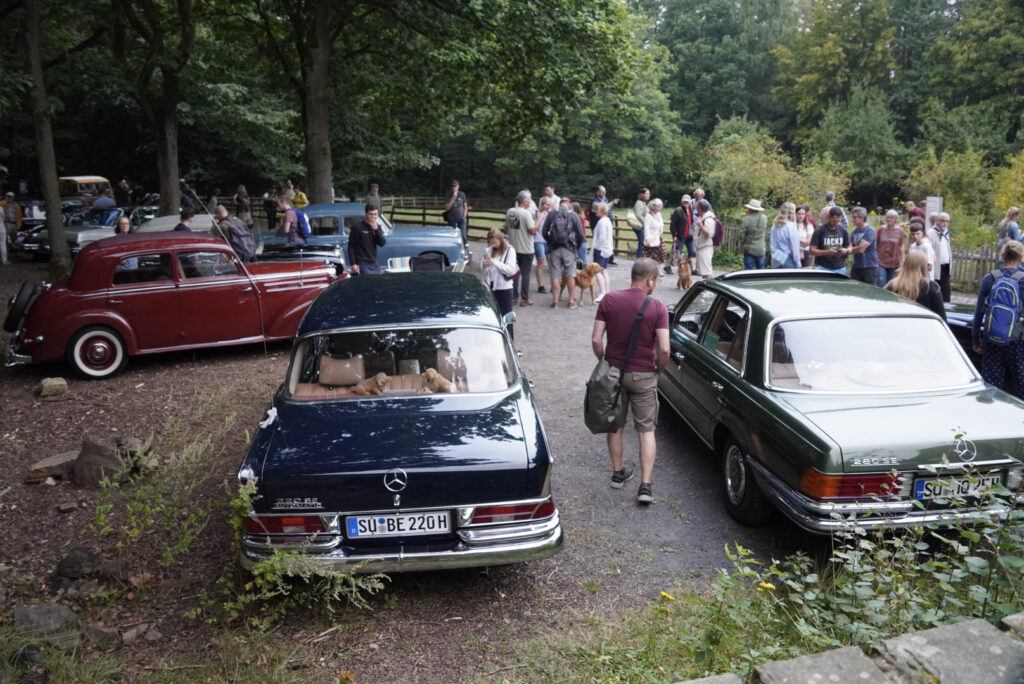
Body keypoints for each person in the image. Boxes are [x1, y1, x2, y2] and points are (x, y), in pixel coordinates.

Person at [591, 258, 670, 505]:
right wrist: (658, 369)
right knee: (646, 430)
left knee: (615, 425)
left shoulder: (609, 300)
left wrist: (605, 361)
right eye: (655, 280)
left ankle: (618, 473)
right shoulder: (658, 307)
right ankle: (645, 487)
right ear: (650, 279)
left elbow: (595, 340)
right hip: (644, 375)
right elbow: (664, 349)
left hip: (613, 373)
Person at [972, 240, 1024, 399]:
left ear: (1002, 256)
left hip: (992, 338)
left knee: (991, 384)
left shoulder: (990, 278)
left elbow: (979, 312)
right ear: (1021, 258)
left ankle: (991, 414)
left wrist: (976, 339)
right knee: (1021, 382)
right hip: (1018, 340)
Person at [541, 198, 584, 308]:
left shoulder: (552, 214)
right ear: (569, 205)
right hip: (569, 248)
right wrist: (576, 247)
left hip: (554, 248)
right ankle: (571, 301)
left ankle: (555, 301)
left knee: (555, 275)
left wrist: (550, 242)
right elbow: (580, 234)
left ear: (559, 205)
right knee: (570, 275)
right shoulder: (573, 215)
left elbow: (544, 231)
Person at [885, 250, 945, 320]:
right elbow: (941, 317)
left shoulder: (892, 285)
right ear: (923, 267)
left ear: (905, 264)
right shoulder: (931, 287)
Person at [482, 228, 518, 339]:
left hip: (505, 289)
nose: (492, 245)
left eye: (494, 242)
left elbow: (511, 270)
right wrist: (484, 266)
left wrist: (495, 263)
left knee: (506, 319)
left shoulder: (510, 250)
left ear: (500, 239)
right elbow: (484, 272)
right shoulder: (488, 251)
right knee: (493, 317)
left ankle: (509, 343)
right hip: (491, 288)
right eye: (490, 242)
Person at [505, 190, 536, 306]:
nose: (531, 201)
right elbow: (532, 230)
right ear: (525, 201)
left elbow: (506, 228)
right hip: (526, 249)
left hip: (513, 247)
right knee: (526, 274)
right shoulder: (526, 213)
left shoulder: (510, 211)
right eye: (530, 199)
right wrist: (539, 219)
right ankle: (524, 298)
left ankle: (513, 297)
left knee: (515, 273)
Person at [809, 207, 850, 274]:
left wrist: (846, 250)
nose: (836, 223)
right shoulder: (819, 231)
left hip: (840, 267)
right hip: (823, 267)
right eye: (834, 221)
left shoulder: (843, 230)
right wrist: (827, 252)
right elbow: (812, 250)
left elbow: (848, 247)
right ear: (829, 217)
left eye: (838, 221)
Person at [347, 205, 386, 275]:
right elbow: (351, 246)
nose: (373, 216)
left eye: (375, 214)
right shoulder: (357, 227)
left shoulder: (377, 227)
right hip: (362, 263)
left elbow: (382, 243)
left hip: (374, 263)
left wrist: (376, 230)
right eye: (370, 214)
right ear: (366, 214)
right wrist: (353, 263)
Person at [848, 207, 878, 286]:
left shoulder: (870, 231)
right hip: (857, 266)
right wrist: (853, 249)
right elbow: (849, 248)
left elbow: (861, 249)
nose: (852, 219)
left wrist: (852, 249)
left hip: (869, 266)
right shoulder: (854, 231)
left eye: (855, 217)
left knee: (870, 292)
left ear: (862, 218)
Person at [876, 209, 906, 287]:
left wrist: (902, 261)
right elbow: (875, 244)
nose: (888, 219)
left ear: (896, 219)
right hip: (881, 261)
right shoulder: (880, 229)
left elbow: (902, 246)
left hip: (894, 262)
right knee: (881, 282)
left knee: (891, 285)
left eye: (891, 217)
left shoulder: (900, 231)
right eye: (887, 217)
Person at [590, 202, 613, 301]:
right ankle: (606, 292)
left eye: (597, 209)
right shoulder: (607, 220)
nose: (595, 211)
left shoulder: (602, 222)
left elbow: (602, 237)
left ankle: (603, 292)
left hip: (601, 249)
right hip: (607, 249)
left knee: (597, 271)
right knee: (604, 270)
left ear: (602, 210)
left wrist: (597, 247)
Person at [769, 202, 801, 269]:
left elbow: (772, 246)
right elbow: (795, 248)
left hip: (776, 258)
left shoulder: (774, 226)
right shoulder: (791, 227)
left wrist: (778, 257)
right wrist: (798, 264)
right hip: (788, 259)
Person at [739, 199, 767, 270]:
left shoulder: (745, 219)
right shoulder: (764, 218)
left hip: (749, 249)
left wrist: (742, 243)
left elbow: (741, 236)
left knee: (748, 270)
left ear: (750, 208)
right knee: (761, 270)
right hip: (761, 248)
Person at [693, 199, 717, 279]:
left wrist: (701, 226)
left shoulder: (708, 219)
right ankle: (707, 289)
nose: (696, 210)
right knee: (704, 272)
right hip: (701, 247)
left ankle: (710, 289)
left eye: (697, 208)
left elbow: (709, 234)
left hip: (705, 248)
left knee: (707, 271)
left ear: (700, 208)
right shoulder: (702, 217)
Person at [534, 197, 552, 295]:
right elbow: (532, 227)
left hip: (548, 241)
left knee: (551, 263)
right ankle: (540, 285)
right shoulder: (535, 213)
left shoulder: (550, 215)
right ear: (541, 204)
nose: (547, 207)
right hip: (538, 240)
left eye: (549, 205)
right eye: (546, 204)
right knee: (540, 263)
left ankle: (553, 285)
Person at [933, 212, 953, 302]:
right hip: (936, 266)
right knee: (935, 292)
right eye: (942, 221)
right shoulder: (932, 233)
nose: (945, 223)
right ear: (937, 221)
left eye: (947, 221)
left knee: (946, 293)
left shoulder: (946, 232)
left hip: (946, 266)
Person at [444, 180, 469, 252]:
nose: (454, 187)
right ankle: (453, 250)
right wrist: (453, 198)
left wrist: (465, 214)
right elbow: (447, 207)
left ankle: (465, 250)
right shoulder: (448, 194)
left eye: (455, 186)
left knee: (463, 235)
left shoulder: (462, 194)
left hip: (461, 219)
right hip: (451, 219)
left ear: (458, 187)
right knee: (452, 236)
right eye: (453, 186)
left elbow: (465, 205)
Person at [642, 198, 667, 267]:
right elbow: (646, 228)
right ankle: (650, 270)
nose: (660, 208)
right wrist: (647, 239)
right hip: (650, 238)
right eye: (658, 206)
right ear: (654, 206)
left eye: (661, 206)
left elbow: (661, 224)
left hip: (657, 237)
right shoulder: (648, 216)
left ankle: (657, 269)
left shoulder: (659, 214)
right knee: (650, 256)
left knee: (661, 253)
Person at [630, 188, 650, 259]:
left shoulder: (643, 203)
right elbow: (638, 215)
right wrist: (646, 223)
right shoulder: (639, 203)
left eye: (649, 193)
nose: (648, 195)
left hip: (641, 226)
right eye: (647, 193)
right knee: (642, 242)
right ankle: (639, 259)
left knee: (642, 242)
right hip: (639, 226)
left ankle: (641, 258)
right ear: (642, 194)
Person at [572, 201, 590, 266]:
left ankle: (588, 273)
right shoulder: (578, 217)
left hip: (581, 241)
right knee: (581, 259)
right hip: (581, 241)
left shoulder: (578, 217)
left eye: (571, 208)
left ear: (575, 209)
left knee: (584, 259)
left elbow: (579, 231)